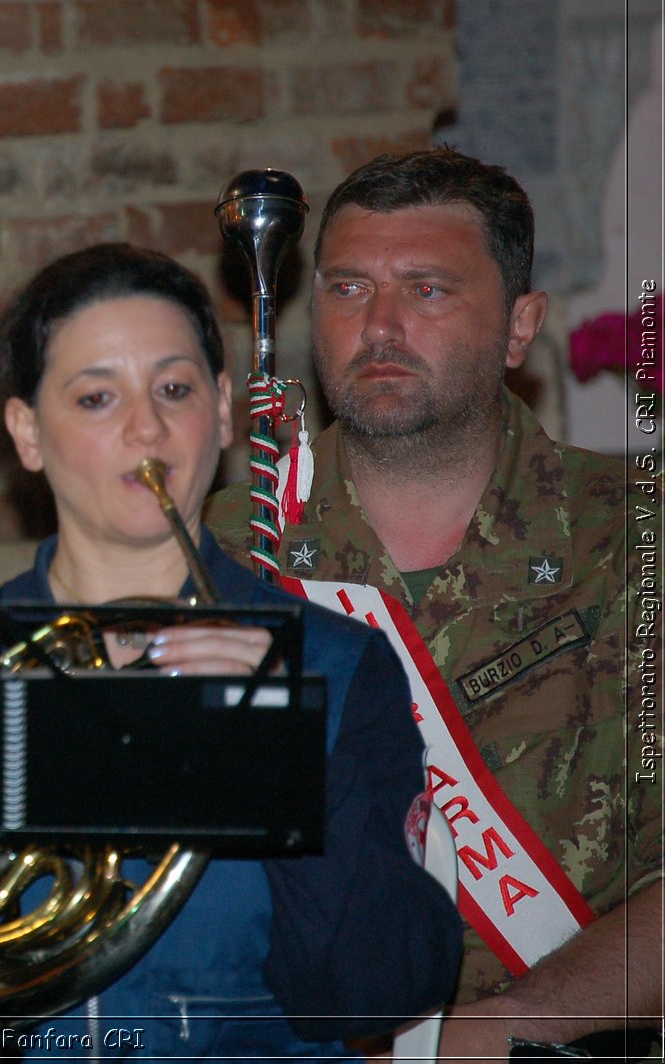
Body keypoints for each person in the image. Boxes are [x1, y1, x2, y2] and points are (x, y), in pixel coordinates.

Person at [0, 244, 462, 1058]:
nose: (145, 427)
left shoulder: (333, 664)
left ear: (221, 413)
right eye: (96, 397)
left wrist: (290, 759)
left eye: (174, 389)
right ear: (27, 433)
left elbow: (379, 991)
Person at [206, 147, 662, 1057]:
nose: (378, 327)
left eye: (427, 291)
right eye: (345, 290)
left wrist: (517, 1026)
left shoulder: (630, 542)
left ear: (520, 326)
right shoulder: (226, 550)